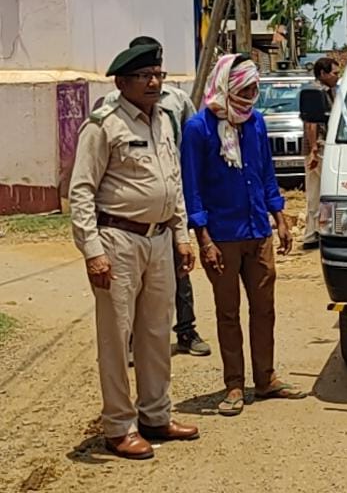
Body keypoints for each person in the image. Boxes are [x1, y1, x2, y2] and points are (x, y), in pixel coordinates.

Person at [69, 42, 201, 459]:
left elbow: (172, 181)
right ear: (121, 81)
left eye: (158, 74)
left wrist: (181, 235)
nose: (154, 82)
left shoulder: (163, 120)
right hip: (117, 240)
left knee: (156, 333)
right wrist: (92, 250)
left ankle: (156, 415)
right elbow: (81, 191)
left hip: (159, 238)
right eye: (144, 76)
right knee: (116, 335)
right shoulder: (103, 124)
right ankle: (119, 426)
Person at [181, 54, 305, 416]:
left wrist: (279, 217)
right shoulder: (198, 129)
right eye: (246, 89)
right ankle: (234, 384)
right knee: (228, 313)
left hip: (257, 230)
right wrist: (203, 239)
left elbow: (266, 174)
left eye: (255, 89)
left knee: (264, 309)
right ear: (227, 86)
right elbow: (193, 188)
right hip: (221, 237)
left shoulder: (256, 123)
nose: (251, 96)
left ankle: (265, 379)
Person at [303, 56, 338, 250]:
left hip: (319, 148)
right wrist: (315, 150)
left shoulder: (329, 91)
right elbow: (311, 124)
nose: (336, 77)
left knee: (315, 192)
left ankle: (311, 233)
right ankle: (318, 231)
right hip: (319, 148)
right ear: (323, 73)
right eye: (334, 73)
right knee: (324, 190)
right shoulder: (315, 93)